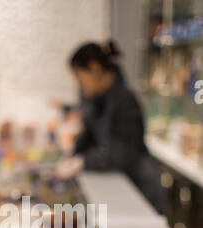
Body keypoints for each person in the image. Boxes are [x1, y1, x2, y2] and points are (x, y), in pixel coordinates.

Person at [68, 41, 163, 211]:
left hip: (138, 188)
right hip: (116, 184)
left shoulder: (125, 100)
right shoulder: (98, 99)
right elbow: (89, 136)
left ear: (94, 68)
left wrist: (83, 162)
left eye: (80, 77)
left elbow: (122, 155)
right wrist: (73, 157)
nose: (79, 85)